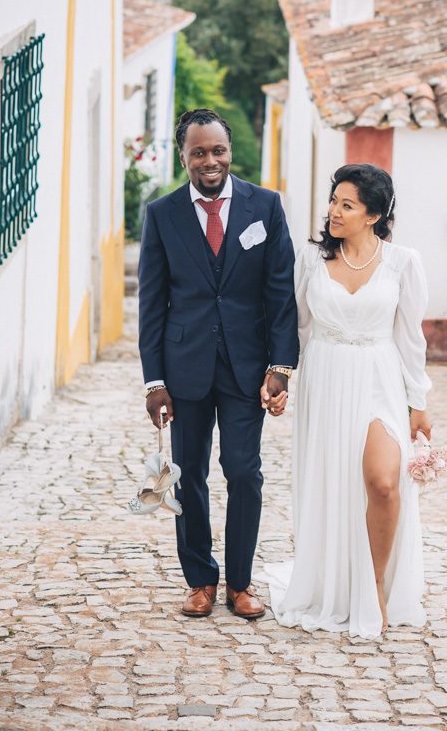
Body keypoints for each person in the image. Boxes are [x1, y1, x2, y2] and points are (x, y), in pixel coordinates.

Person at [138, 108, 298, 619]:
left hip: (246, 366)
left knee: (244, 472)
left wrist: (281, 366)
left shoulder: (266, 206)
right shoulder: (162, 214)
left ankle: (241, 583)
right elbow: (151, 301)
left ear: (232, 152)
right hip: (184, 367)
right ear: (183, 156)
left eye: (218, 150)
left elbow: (280, 292)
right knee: (189, 476)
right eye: (199, 152)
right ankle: (200, 580)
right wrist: (154, 381)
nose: (210, 161)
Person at [266, 163, 432, 639]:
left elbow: (410, 337)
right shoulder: (312, 259)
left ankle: (376, 586)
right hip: (326, 376)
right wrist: (280, 376)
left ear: (373, 215)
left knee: (383, 481)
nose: (334, 212)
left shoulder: (403, 263)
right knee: (333, 483)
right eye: (334, 201)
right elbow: (294, 325)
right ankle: (332, 585)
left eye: (347, 205)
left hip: (380, 377)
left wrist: (418, 402)